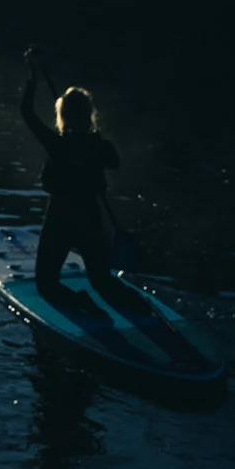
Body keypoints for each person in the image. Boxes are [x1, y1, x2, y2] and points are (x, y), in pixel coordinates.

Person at [20, 48, 139, 314]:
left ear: (63, 114)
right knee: (101, 280)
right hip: (91, 219)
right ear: (89, 114)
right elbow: (114, 162)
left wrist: (33, 77)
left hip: (60, 220)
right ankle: (137, 308)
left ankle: (82, 305)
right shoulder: (102, 147)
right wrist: (90, 144)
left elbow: (27, 113)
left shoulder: (57, 145)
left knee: (46, 286)